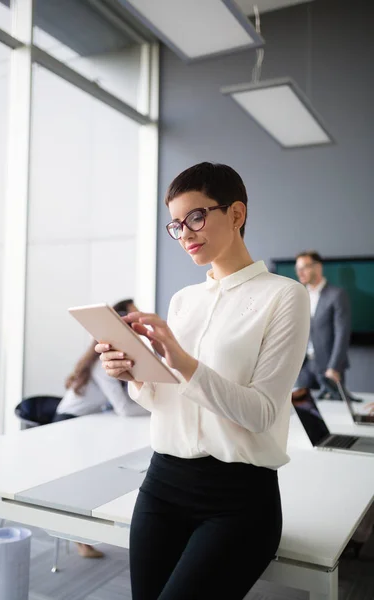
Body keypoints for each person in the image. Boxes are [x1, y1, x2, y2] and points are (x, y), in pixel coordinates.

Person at [97, 162, 310, 599]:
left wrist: (183, 361)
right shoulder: (183, 300)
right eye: (176, 225)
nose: (186, 233)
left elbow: (262, 413)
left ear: (236, 214)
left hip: (238, 500)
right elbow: (167, 401)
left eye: (196, 217)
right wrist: (134, 373)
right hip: (162, 485)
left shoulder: (284, 296)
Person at [55, 298, 149, 559]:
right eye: (132, 319)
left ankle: (85, 534)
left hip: (89, 422)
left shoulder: (118, 357)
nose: (138, 323)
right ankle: (79, 538)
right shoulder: (102, 361)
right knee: (82, 480)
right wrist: (157, 405)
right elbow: (125, 408)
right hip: (69, 423)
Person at [54, 299, 149, 422]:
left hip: (87, 418)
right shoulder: (103, 364)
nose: (141, 322)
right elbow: (124, 409)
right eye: (134, 317)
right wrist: (155, 406)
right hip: (67, 420)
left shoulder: (121, 358)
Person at [294, 251, 351, 396]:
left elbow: (342, 334)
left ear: (318, 267)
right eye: (298, 268)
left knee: (334, 412)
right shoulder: (299, 295)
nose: (300, 272)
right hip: (304, 366)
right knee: (304, 409)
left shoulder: (336, 294)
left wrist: (334, 367)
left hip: (328, 367)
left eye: (304, 267)